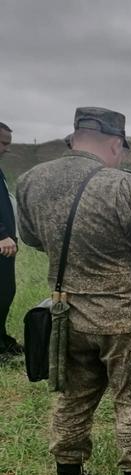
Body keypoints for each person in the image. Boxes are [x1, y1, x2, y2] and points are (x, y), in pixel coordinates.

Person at [16, 107, 131, 475]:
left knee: (73, 398)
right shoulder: (125, 185)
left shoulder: (29, 181)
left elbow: (35, 240)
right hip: (124, 318)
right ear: (114, 144)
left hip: (64, 313)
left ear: (73, 139)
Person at [0, 122, 23, 358]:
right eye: (4, 142)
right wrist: (2, 234)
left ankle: (2, 340)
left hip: (5, 246)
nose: (7, 148)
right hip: (1, 243)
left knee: (5, 292)